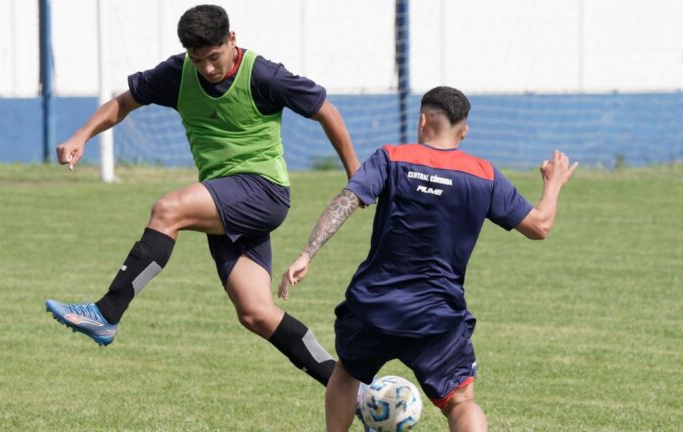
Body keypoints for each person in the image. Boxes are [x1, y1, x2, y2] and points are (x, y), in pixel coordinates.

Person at [45, 4, 360, 387]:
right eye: (198, 60)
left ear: (232, 40)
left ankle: (107, 313)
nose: (208, 68)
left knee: (168, 210)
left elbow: (326, 111)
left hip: (263, 190)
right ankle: (354, 392)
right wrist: (81, 136)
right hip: (223, 198)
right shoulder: (178, 74)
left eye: (214, 57)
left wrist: (355, 176)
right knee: (256, 313)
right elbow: (122, 103)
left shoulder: (263, 74)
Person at [279, 86, 578, 431]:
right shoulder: (483, 174)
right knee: (461, 402)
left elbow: (346, 201)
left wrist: (307, 253)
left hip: (375, 306)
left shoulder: (392, 157)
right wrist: (553, 184)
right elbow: (540, 226)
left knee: (347, 373)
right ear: (464, 131)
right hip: (437, 315)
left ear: (422, 121)